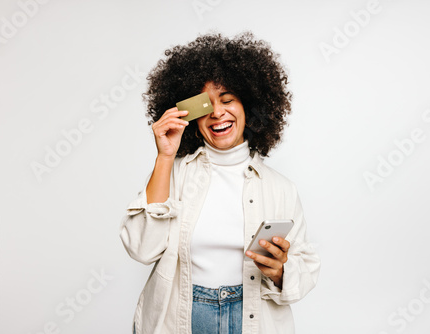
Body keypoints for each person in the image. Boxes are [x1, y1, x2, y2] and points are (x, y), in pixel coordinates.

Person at [119, 31, 320, 334]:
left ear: (249, 107)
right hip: (182, 317)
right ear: (192, 117)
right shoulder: (173, 172)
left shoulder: (281, 188)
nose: (217, 113)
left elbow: (305, 270)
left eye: (227, 100)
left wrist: (280, 271)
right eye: (205, 106)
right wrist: (164, 157)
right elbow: (142, 250)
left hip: (251, 317)